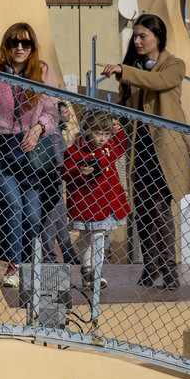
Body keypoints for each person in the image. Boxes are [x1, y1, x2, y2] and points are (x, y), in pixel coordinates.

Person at [99, 13, 190, 288]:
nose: (137, 41)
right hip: (139, 146)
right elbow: (125, 106)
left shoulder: (174, 64)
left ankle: (168, 267)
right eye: (135, 36)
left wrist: (123, 70)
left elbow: (159, 82)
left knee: (159, 206)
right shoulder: (132, 68)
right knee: (141, 209)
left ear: (158, 37)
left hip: (165, 148)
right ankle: (151, 264)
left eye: (143, 36)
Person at [0, 23, 61, 295]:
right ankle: (14, 264)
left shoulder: (41, 72)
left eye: (25, 43)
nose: (19, 47)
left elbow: (52, 112)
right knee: (13, 204)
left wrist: (38, 128)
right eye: (13, 42)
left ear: (32, 47)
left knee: (32, 213)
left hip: (29, 149)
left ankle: (28, 260)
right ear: (6, 45)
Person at [62, 109, 130, 285]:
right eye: (98, 133)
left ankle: (95, 271)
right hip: (85, 201)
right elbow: (66, 172)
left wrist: (118, 131)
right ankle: (87, 269)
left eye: (107, 134)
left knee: (98, 235)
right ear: (87, 130)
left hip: (105, 201)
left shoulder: (108, 148)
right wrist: (80, 172)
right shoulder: (76, 150)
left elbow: (121, 147)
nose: (103, 138)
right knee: (85, 235)